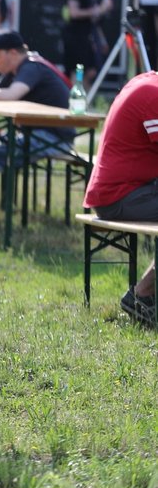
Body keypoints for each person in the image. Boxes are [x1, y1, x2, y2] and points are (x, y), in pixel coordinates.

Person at [83, 71, 158, 325]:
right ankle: (142, 296)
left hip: (123, 190)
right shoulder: (153, 94)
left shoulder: (145, 81)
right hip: (121, 195)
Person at [0, 30, 73, 181]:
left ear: (12, 53)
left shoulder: (31, 67)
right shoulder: (18, 68)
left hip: (53, 138)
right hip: (37, 133)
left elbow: (11, 94)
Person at [62, 0, 113, 87]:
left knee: (90, 71)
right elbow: (73, 12)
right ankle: (72, 98)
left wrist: (101, 40)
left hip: (87, 38)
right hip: (76, 38)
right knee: (77, 70)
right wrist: (99, 10)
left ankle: (84, 99)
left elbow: (93, 20)